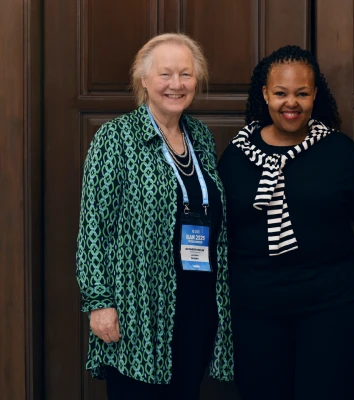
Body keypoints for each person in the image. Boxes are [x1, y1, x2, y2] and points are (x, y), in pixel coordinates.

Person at [75, 33, 233, 400]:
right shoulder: (116, 138)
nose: (176, 84)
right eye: (165, 74)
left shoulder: (200, 137)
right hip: (138, 308)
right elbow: (93, 228)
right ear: (143, 80)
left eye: (186, 74)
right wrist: (99, 303)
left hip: (197, 300)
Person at [217, 45, 354, 400]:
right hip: (255, 312)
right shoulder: (237, 156)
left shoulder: (340, 152)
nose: (291, 103)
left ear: (315, 95)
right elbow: (221, 232)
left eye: (302, 93)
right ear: (265, 94)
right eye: (281, 93)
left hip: (334, 309)